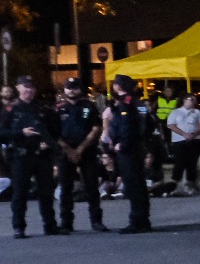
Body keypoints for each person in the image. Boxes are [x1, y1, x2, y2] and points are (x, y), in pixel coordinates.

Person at [3, 77, 62, 237]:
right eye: (25, 87)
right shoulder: (11, 110)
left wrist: (48, 143)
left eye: (31, 87)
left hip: (42, 156)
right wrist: (21, 133)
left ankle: (50, 225)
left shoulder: (43, 109)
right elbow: (2, 133)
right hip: (21, 156)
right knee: (20, 193)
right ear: (18, 88)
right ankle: (19, 227)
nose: (28, 90)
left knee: (46, 192)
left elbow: (55, 130)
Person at [55, 77, 106, 232]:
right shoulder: (58, 108)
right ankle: (66, 222)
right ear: (64, 89)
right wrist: (69, 150)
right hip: (65, 152)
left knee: (92, 186)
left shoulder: (89, 106)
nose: (72, 91)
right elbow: (53, 132)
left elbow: (97, 129)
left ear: (80, 89)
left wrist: (80, 149)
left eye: (75, 87)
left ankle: (96, 220)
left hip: (87, 151)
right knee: (66, 188)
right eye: (69, 87)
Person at [104, 74, 153, 233]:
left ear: (118, 86)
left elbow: (127, 125)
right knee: (139, 185)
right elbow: (148, 123)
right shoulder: (138, 102)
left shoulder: (126, 102)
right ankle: (143, 220)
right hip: (136, 147)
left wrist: (122, 143)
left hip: (128, 149)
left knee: (133, 185)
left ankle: (137, 221)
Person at [165, 93, 200, 195]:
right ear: (184, 100)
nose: (193, 101)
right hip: (179, 141)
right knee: (179, 162)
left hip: (195, 140)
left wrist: (194, 133)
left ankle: (189, 184)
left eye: (194, 100)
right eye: (191, 99)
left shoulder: (197, 112)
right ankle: (175, 184)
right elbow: (171, 125)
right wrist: (183, 133)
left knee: (192, 163)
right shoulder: (176, 112)